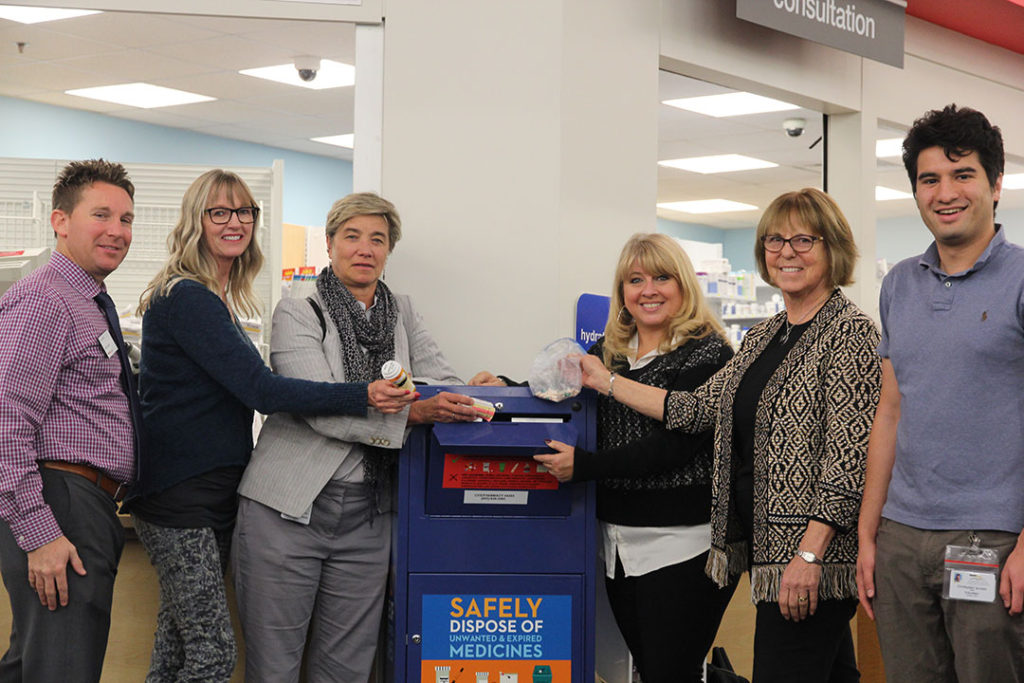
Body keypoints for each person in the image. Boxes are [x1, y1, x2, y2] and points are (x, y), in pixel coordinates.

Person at [577, 189, 881, 681]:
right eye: (775, 240)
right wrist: (606, 381)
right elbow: (696, 410)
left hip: (807, 561)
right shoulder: (766, 335)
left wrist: (809, 554)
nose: (787, 252)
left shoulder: (850, 334)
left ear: (834, 249)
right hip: (765, 553)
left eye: (804, 239)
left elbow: (848, 458)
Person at [127, 171, 414, 683]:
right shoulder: (189, 297)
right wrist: (364, 394)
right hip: (181, 497)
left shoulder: (218, 297)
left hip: (210, 493)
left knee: (176, 651)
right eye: (220, 212)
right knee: (213, 655)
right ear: (197, 220)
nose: (235, 222)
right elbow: (263, 391)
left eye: (244, 212)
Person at [233, 191, 482, 683]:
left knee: (345, 670)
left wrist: (474, 390)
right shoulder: (298, 312)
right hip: (289, 512)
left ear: (389, 251)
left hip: (369, 516)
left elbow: (436, 381)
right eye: (352, 237)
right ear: (329, 244)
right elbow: (321, 407)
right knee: (274, 667)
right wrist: (415, 415)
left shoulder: (403, 313)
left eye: (378, 239)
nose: (365, 249)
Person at [856, 104, 1024, 682]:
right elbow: (890, 412)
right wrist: (868, 531)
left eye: (963, 175)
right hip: (902, 539)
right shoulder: (899, 283)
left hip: (994, 538)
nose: (945, 192)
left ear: (996, 184)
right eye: (930, 179)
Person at [532, 233, 735, 683]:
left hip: (684, 544)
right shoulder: (609, 353)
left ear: (683, 285)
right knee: (646, 669)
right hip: (618, 545)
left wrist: (585, 467)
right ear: (621, 291)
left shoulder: (709, 352)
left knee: (671, 672)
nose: (648, 290)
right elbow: (561, 396)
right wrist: (499, 386)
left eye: (662, 277)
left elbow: (675, 445)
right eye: (635, 279)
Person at [0, 160, 137, 682]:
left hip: (84, 504)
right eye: (100, 215)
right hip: (61, 506)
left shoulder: (87, 301)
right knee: (62, 669)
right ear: (60, 221)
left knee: (35, 665)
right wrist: (39, 534)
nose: (116, 231)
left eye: (126, 220)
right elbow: (7, 425)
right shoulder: (46, 300)